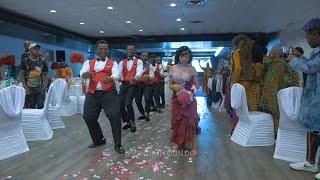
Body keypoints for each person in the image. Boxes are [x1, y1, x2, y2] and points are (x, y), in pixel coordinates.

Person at [288, 18, 320, 180]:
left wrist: (294, 60)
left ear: (317, 34)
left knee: (317, 130)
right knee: (313, 130)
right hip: (314, 98)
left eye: (308, 37)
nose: (307, 40)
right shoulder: (317, 52)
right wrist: (300, 56)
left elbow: (309, 68)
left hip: (318, 99)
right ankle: (311, 162)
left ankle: (313, 163)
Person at [80, 40, 124, 154]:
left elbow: (116, 74)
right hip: (92, 93)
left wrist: (111, 79)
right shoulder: (88, 62)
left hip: (109, 93)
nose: (103, 51)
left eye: (105, 49)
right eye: (101, 49)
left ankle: (118, 144)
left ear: (108, 50)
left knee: (114, 116)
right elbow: (83, 73)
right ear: (96, 50)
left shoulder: (113, 63)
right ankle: (99, 140)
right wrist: (86, 74)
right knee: (88, 117)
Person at [259, 45, 299, 134]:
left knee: (271, 115)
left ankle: (271, 132)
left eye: (271, 52)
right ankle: (276, 133)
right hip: (277, 95)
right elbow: (293, 79)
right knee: (276, 115)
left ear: (274, 53)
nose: (269, 53)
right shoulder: (284, 65)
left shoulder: (270, 63)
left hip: (269, 96)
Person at [169, 46, 200, 156]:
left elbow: (197, 85)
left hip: (189, 99)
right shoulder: (172, 68)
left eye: (187, 56)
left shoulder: (192, 69)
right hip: (176, 98)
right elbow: (170, 85)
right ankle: (179, 143)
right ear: (178, 56)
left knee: (191, 121)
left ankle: (194, 146)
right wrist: (176, 87)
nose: (185, 58)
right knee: (177, 120)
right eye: (183, 56)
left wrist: (191, 93)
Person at [229, 34, 254, 135]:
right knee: (245, 107)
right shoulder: (247, 54)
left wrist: (233, 81)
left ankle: (235, 129)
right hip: (248, 82)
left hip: (239, 83)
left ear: (235, 44)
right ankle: (244, 130)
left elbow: (238, 68)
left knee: (236, 107)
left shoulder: (236, 53)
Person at [119, 45, 143, 133]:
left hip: (133, 84)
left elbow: (139, 71)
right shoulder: (122, 62)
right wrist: (120, 78)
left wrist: (136, 77)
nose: (129, 50)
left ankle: (133, 123)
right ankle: (127, 121)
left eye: (131, 49)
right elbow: (119, 73)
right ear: (126, 50)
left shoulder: (139, 61)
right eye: (128, 49)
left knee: (128, 103)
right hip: (124, 84)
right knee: (120, 104)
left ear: (134, 50)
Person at [19, 43, 48, 109]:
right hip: (29, 89)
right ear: (30, 50)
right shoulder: (25, 61)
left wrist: (45, 86)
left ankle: (40, 119)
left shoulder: (43, 61)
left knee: (41, 107)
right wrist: (25, 87)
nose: (37, 50)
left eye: (38, 49)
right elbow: (21, 74)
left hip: (40, 88)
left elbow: (46, 75)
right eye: (34, 49)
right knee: (31, 108)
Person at [135, 52, 154, 121]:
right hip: (138, 84)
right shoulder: (136, 64)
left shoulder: (150, 65)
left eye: (146, 56)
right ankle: (142, 113)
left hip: (147, 85)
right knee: (137, 100)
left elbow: (152, 76)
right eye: (143, 56)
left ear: (147, 57)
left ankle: (147, 114)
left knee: (147, 99)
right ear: (140, 56)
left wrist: (148, 76)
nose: (144, 57)